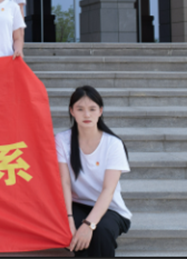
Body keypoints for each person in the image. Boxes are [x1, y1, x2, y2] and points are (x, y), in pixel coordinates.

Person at [56, 86, 132, 257]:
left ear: (100, 111)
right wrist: (68, 218)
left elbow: (108, 190)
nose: (87, 115)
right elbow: (64, 182)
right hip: (76, 204)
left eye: (92, 109)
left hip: (110, 208)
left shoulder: (113, 144)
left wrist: (89, 224)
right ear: (72, 111)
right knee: (73, 233)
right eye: (80, 109)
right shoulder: (62, 140)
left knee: (100, 232)